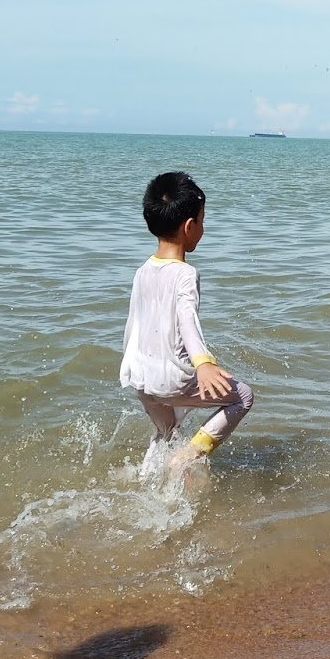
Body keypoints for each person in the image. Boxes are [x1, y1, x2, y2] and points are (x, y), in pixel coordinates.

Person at [120, 171, 253, 475]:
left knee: (167, 432)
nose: (203, 229)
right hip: (171, 380)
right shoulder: (185, 274)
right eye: (203, 222)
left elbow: (135, 324)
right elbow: (187, 320)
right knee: (244, 396)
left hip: (140, 378)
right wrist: (202, 362)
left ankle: (147, 479)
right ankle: (188, 457)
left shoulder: (143, 270)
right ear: (190, 226)